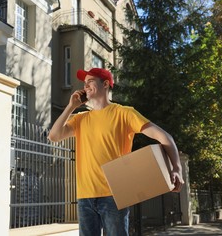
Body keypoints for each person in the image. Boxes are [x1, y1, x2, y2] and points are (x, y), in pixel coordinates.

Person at [48, 68, 184, 236]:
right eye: (85, 83)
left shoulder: (124, 113)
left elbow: (165, 137)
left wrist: (177, 169)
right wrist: (71, 106)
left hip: (114, 196)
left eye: (90, 81)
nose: (85, 86)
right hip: (85, 196)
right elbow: (54, 136)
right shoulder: (80, 119)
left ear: (105, 84)